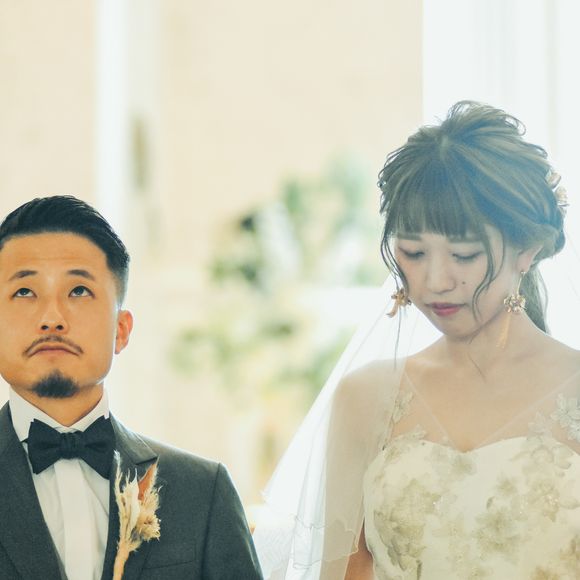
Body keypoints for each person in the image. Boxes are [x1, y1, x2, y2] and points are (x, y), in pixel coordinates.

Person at [253, 101, 580, 579]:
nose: (434, 281)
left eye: (464, 255)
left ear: (526, 249)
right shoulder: (366, 397)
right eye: (413, 252)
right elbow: (347, 571)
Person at [0, 196, 263, 580]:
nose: (52, 318)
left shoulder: (202, 492)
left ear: (121, 330)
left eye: (78, 291)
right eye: (25, 292)